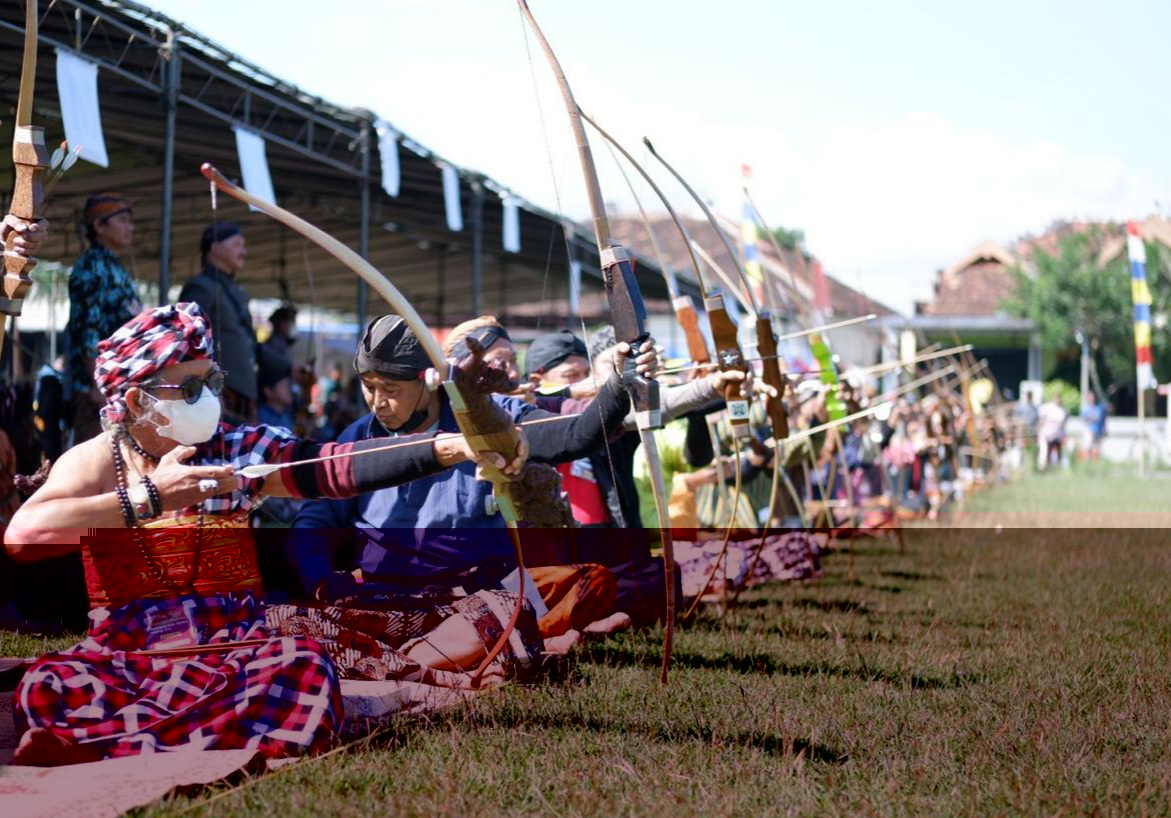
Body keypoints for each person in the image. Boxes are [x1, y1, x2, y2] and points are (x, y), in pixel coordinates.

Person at [4, 302, 526, 767]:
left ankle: (106, 741)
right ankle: (175, 734)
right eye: (190, 388)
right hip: (128, 656)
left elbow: (329, 468)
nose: (210, 397)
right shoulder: (98, 461)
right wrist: (152, 498)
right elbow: (24, 537)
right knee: (43, 687)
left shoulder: (235, 447)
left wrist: (449, 449)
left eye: (212, 381)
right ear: (139, 401)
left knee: (303, 669)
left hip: (230, 655)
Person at [284, 315, 658, 659]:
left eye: (390, 389)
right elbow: (314, 522)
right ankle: (514, 643)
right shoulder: (359, 435)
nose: (378, 402)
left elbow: (574, 436)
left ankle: (491, 643)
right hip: (387, 598)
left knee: (592, 583)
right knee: (291, 618)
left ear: (429, 380)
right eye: (369, 387)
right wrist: (323, 583)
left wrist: (617, 385)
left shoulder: (488, 414)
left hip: (479, 596)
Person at [65, 193, 141, 444]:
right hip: (100, 391)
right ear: (99, 226)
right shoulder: (91, 267)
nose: (130, 227)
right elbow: (88, 330)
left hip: (119, 385)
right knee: (97, 466)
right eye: (123, 220)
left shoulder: (114, 267)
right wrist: (97, 383)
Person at [179, 222, 258, 425]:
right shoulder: (200, 287)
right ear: (214, 247)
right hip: (219, 391)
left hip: (241, 392)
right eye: (237, 244)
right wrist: (207, 386)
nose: (243, 251)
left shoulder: (236, 291)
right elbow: (188, 339)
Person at [34, 355, 66, 462]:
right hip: (51, 420)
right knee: (50, 445)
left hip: (50, 420)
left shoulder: (48, 380)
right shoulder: (51, 380)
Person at [1036, 394, 1067, 471]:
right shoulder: (1047, 408)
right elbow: (1041, 420)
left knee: (1057, 453)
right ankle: (1043, 469)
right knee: (1045, 452)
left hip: (1057, 436)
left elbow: (1063, 423)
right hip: (1046, 434)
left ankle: (1056, 468)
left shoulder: (1062, 410)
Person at [1079, 391, 1106, 461]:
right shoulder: (1086, 408)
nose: (1092, 398)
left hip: (1098, 431)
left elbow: (1103, 419)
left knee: (1097, 448)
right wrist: (1092, 418)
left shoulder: (1100, 407)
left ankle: (1095, 464)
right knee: (1087, 447)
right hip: (1089, 430)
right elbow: (1084, 420)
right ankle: (1085, 462)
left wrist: (1105, 429)